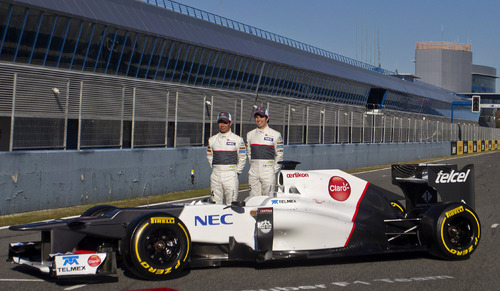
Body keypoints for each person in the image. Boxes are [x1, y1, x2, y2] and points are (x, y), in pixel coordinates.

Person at [206, 112, 246, 204]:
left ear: (230, 123)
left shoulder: (238, 140)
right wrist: (215, 167)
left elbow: (242, 158)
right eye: (220, 122)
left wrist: (237, 172)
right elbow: (209, 155)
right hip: (216, 175)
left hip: (231, 175)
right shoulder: (212, 140)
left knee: (232, 204)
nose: (222, 125)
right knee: (215, 204)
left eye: (225, 122)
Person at [246, 106, 284, 197]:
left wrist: (272, 170)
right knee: (253, 200)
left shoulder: (276, 135)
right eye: (256, 117)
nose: (259, 119)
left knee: (267, 200)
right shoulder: (250, 134)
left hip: (268, 172)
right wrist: (254, 165)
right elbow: (249, 153)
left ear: (267, 118)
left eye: (261, 117)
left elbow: (279, 155)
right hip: (253, 172)